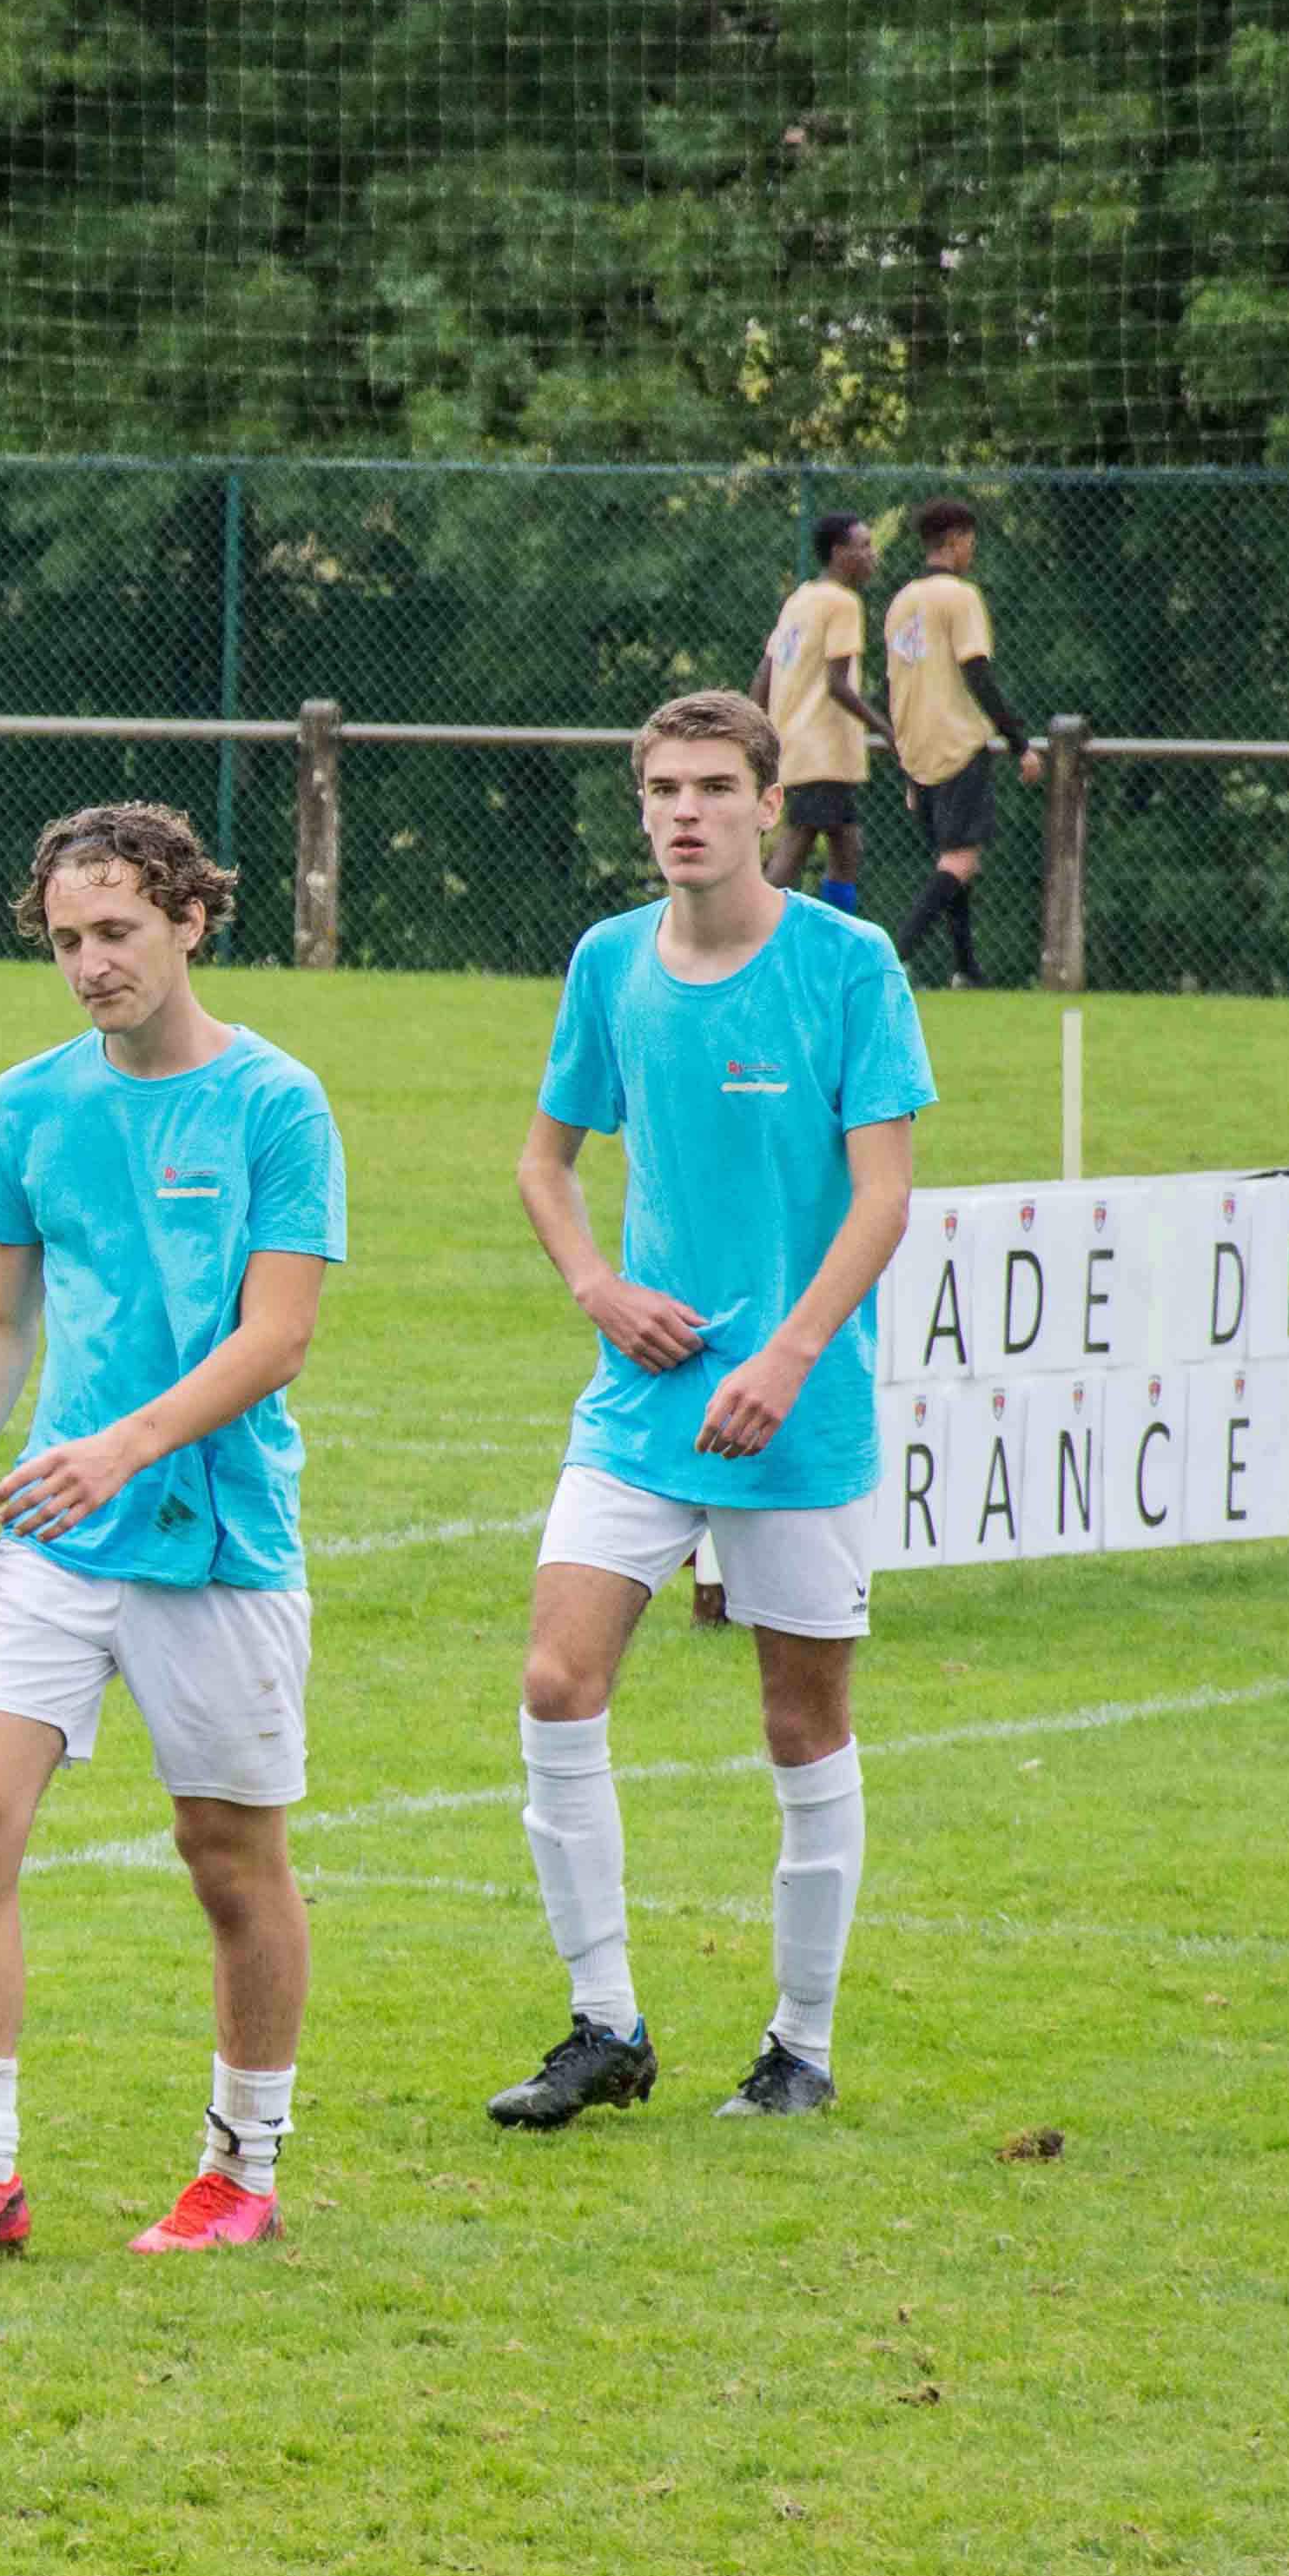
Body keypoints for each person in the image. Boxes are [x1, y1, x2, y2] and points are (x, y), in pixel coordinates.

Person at [0, 806, 343, 2268]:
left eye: (117, 931)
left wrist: (125, 1443)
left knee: (230, 1861)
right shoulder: (30, 1104)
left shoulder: (275, 1105)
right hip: (59, 1538)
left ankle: (242, 2168)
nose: (89, 963)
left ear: (192, 919)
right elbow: (4, 1313)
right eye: (66, 938)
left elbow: (280, 1336)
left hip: (218, 1537)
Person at [489, 689, 930, 2132]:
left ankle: (799, 2047)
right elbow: (545, 1165)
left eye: (711, 789)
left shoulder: (848, 964)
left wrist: (794, 1354)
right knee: (558, 1684)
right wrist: (598, 1289)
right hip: (640, 1400)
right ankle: (604, 2023)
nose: (683, 813)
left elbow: (883, 1193)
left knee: (802, 1723)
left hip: (796, 1407)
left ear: (765, 805)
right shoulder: (609, 961)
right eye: (661, 791)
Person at [876, 498, 1031, 989]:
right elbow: (977, 672)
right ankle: (891, 959)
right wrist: (1019, 742)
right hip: (958, 743)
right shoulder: (960, 597)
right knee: (959, 859)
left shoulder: (901, 603)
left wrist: (905, 765)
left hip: (917, 748)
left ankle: (966, 969)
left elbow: (891, 688)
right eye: (971, 542)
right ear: (958, 540)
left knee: (954, 859)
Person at [758, 512, 896, 909]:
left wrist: (759, 726)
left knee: (845, 844)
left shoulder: (800, 600)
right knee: (800, 842)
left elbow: (764, 674)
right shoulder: (842, 603)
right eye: (865, 546)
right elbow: (837, 685)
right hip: (821, 747)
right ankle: (750, 935)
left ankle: (833, 941)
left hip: (796, 743)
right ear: (839, 553)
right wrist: (888, 731)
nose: (873, 555)